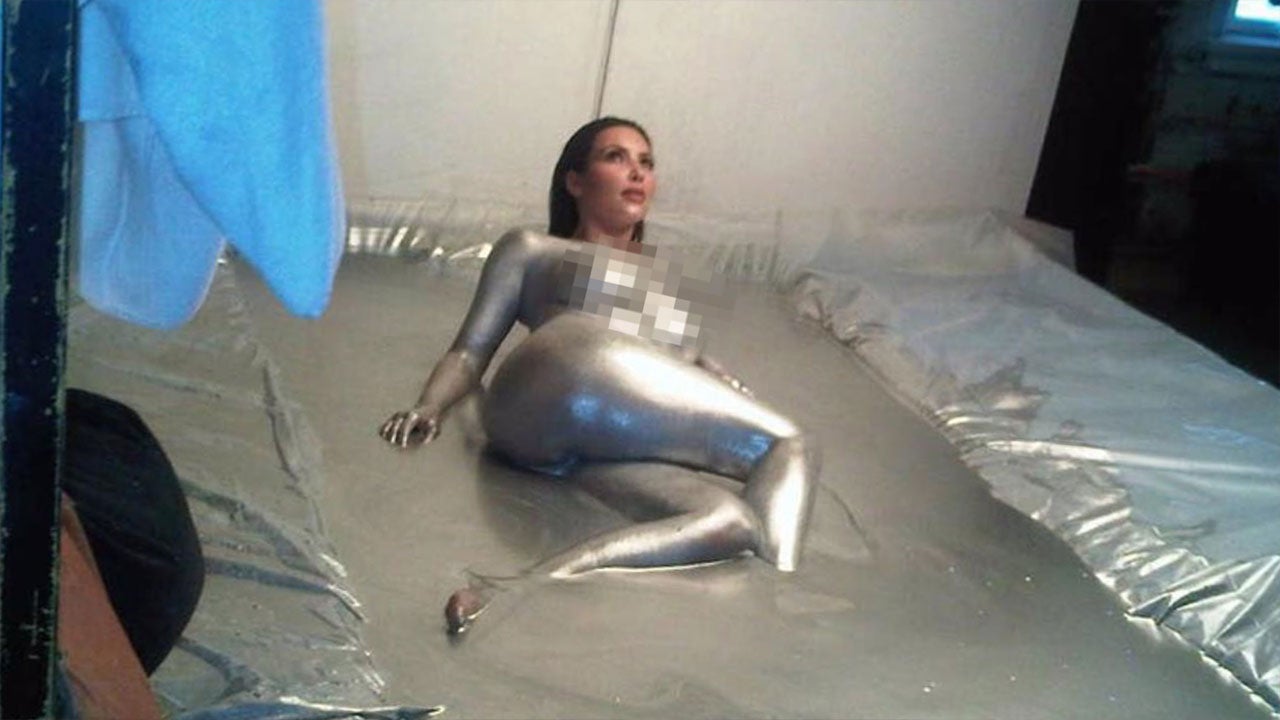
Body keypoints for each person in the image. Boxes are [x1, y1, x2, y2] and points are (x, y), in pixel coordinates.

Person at [379, 117, 819, 634]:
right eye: (616, 157)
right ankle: (783, 608)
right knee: (791, 442)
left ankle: (515, 586)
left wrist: (712, 376)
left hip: (608, 437)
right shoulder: (533, 249)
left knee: (732, 523)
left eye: (646, 163)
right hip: (564, 368)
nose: (637, 173)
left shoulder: (671, 285)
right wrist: (430, 405)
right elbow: (470, 351)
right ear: (575, 181)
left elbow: (673, 375)